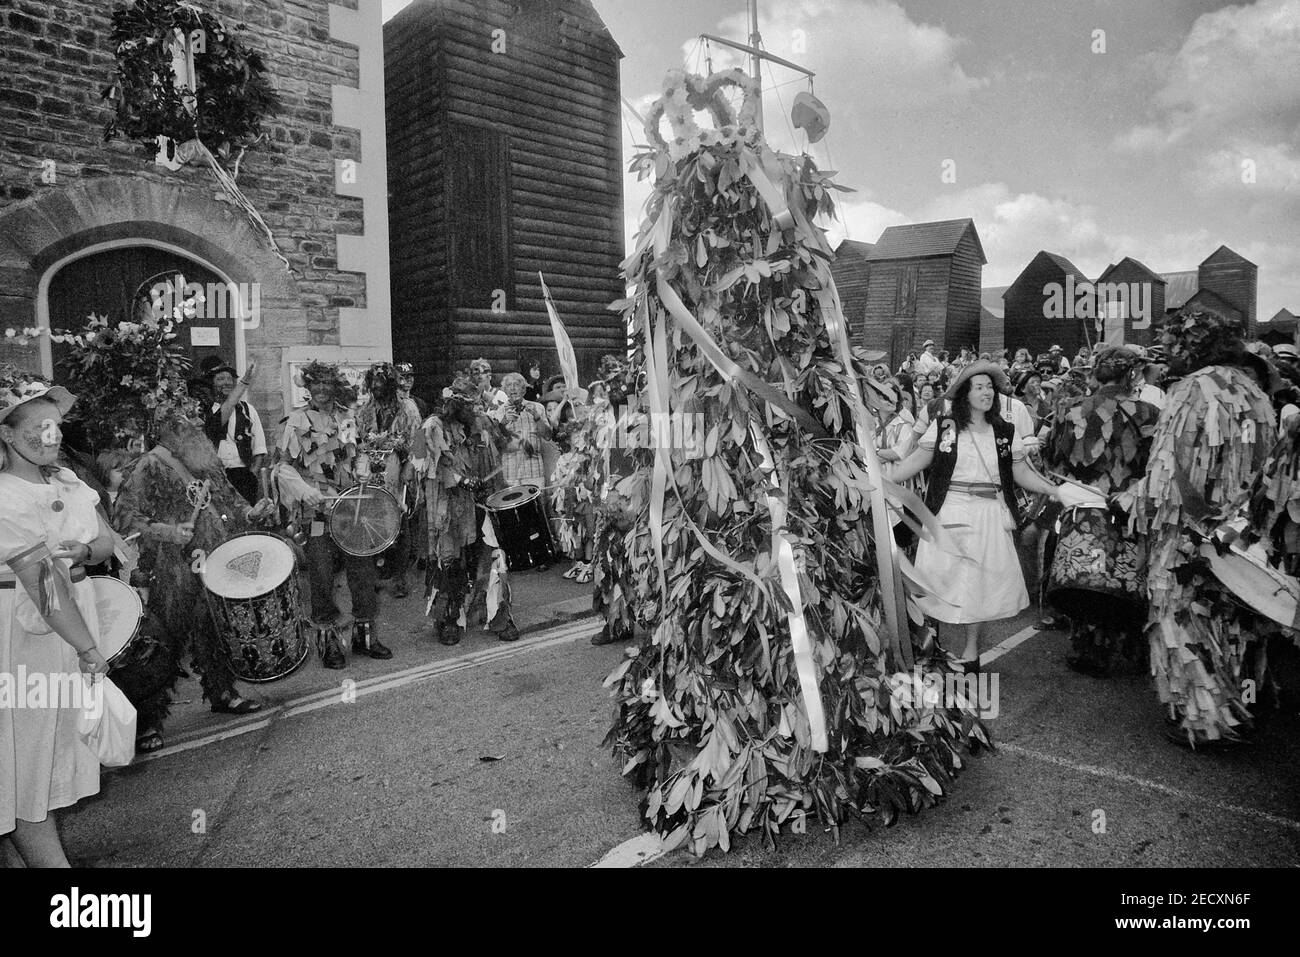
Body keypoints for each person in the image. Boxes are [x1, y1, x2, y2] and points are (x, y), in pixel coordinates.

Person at [1118, 307, 1276, 747]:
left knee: (1182, 620)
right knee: (1234, 621)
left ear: (1193, 346)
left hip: (1189, 532)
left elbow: (1170, 473)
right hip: (1242, 533)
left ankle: (1202, 722)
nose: (1165, 355)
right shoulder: (1257, 392)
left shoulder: (1192, 390)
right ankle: (1239, 707)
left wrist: (1133, 503)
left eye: (1170, 346)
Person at [112, 400, 276, 751]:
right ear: (171, 429)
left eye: (199, 426)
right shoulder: (149, 465)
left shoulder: (207, 463)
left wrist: (253, 511)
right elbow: (125, 519)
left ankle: (222, 692)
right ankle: (146, 722)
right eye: (191, 426)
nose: (199, 431)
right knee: (164, 643)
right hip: (171, 568)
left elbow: (230, 502)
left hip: (215, 560)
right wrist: (169, 532)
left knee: (215, 629)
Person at [0, 370, 113, 866]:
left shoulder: (68, 480)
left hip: (67, 626)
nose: (52, 437)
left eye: (56, 427)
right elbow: (43, 585)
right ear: (6, 433)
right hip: (31, 637)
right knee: (30, 758)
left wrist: (86, 549)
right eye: (38, 428)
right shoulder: (5, 496)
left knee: (48, 752)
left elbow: (107, 542)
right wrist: (88, 648)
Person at [891, 361, 1064, 671]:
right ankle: (931, 646)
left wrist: (1054, 489)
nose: (987, 392)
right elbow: (916, 460)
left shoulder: (1004, 431)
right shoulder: (945, 426)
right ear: (965, 394)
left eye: (990, 387)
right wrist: (878, 480)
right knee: (937, 579)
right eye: (979, 387)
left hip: (988, 515)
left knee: (979, 584)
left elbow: (1021, 472)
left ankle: (971, 654)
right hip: (949, 512)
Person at [1042, 347, 1160, 676]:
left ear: (1096, 373)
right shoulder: (1149, 412)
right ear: (1131, 375)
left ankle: (1090, 650)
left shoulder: (1073, 409)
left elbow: (1055, 459)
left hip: (1084, 507)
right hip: (1129, 507)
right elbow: (1156, 463)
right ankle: (1133, 646)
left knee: (1087, 576)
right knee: (1127, 575)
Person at [274, 361, 390, 668]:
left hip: (352, 511)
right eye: (317, 384)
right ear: (308, 387)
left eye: (328, 383)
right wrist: (302, 489)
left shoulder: (346, 416)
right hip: (317, 515)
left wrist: (363, 467)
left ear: (335, 386)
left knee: (363, 574)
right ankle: (328, 644)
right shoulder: (296, 420)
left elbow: (359, 451)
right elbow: (282, 466)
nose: (323, 389)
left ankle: (365, 636)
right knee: (322, 577)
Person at [420, 381, 522, 644]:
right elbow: (425, 464)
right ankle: (449, 619)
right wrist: (460, 480)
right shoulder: (433, 426)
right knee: (451, 562)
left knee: (493, 557)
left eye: (477, 403)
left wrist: (510, 432)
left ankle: (500, 616)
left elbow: (507, 447)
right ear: (454, 405)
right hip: (450, 508)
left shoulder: (484, 423)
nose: (475, 409)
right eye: (469, 405)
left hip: (482, 503)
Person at [356, 362, 423, 599]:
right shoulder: (365, 411)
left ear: (390, 384)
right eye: (372, 384)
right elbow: (360, 441)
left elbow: (419, 444)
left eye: (381, 383)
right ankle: (377, 573)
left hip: (398, 473)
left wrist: (409, 468)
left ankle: (399, 576)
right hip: (373, 476)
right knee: (372, 523)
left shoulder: (408, 409)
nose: (376, 387)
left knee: (400, 525)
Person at [204, 361, 267, 505]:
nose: (226, 382)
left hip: (243, 475)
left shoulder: (248, 410)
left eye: (230, 379)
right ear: (212, 384)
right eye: (220, 379)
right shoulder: (204, 411)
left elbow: (259, 447)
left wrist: (252, 473)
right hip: (215, 476)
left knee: (245, 518)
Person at [496, 372, 552, 488]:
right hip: (510, 469)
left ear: (523, 390)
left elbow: (547, 436)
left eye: (516, 385)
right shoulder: (499, 412)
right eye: (508, 386)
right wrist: (503, 422)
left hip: (534, 468)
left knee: (536, 504)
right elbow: (496, 443)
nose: (512, 388)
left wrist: (536, 417)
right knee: (513, 503)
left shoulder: (538, 407)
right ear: (505, 391)